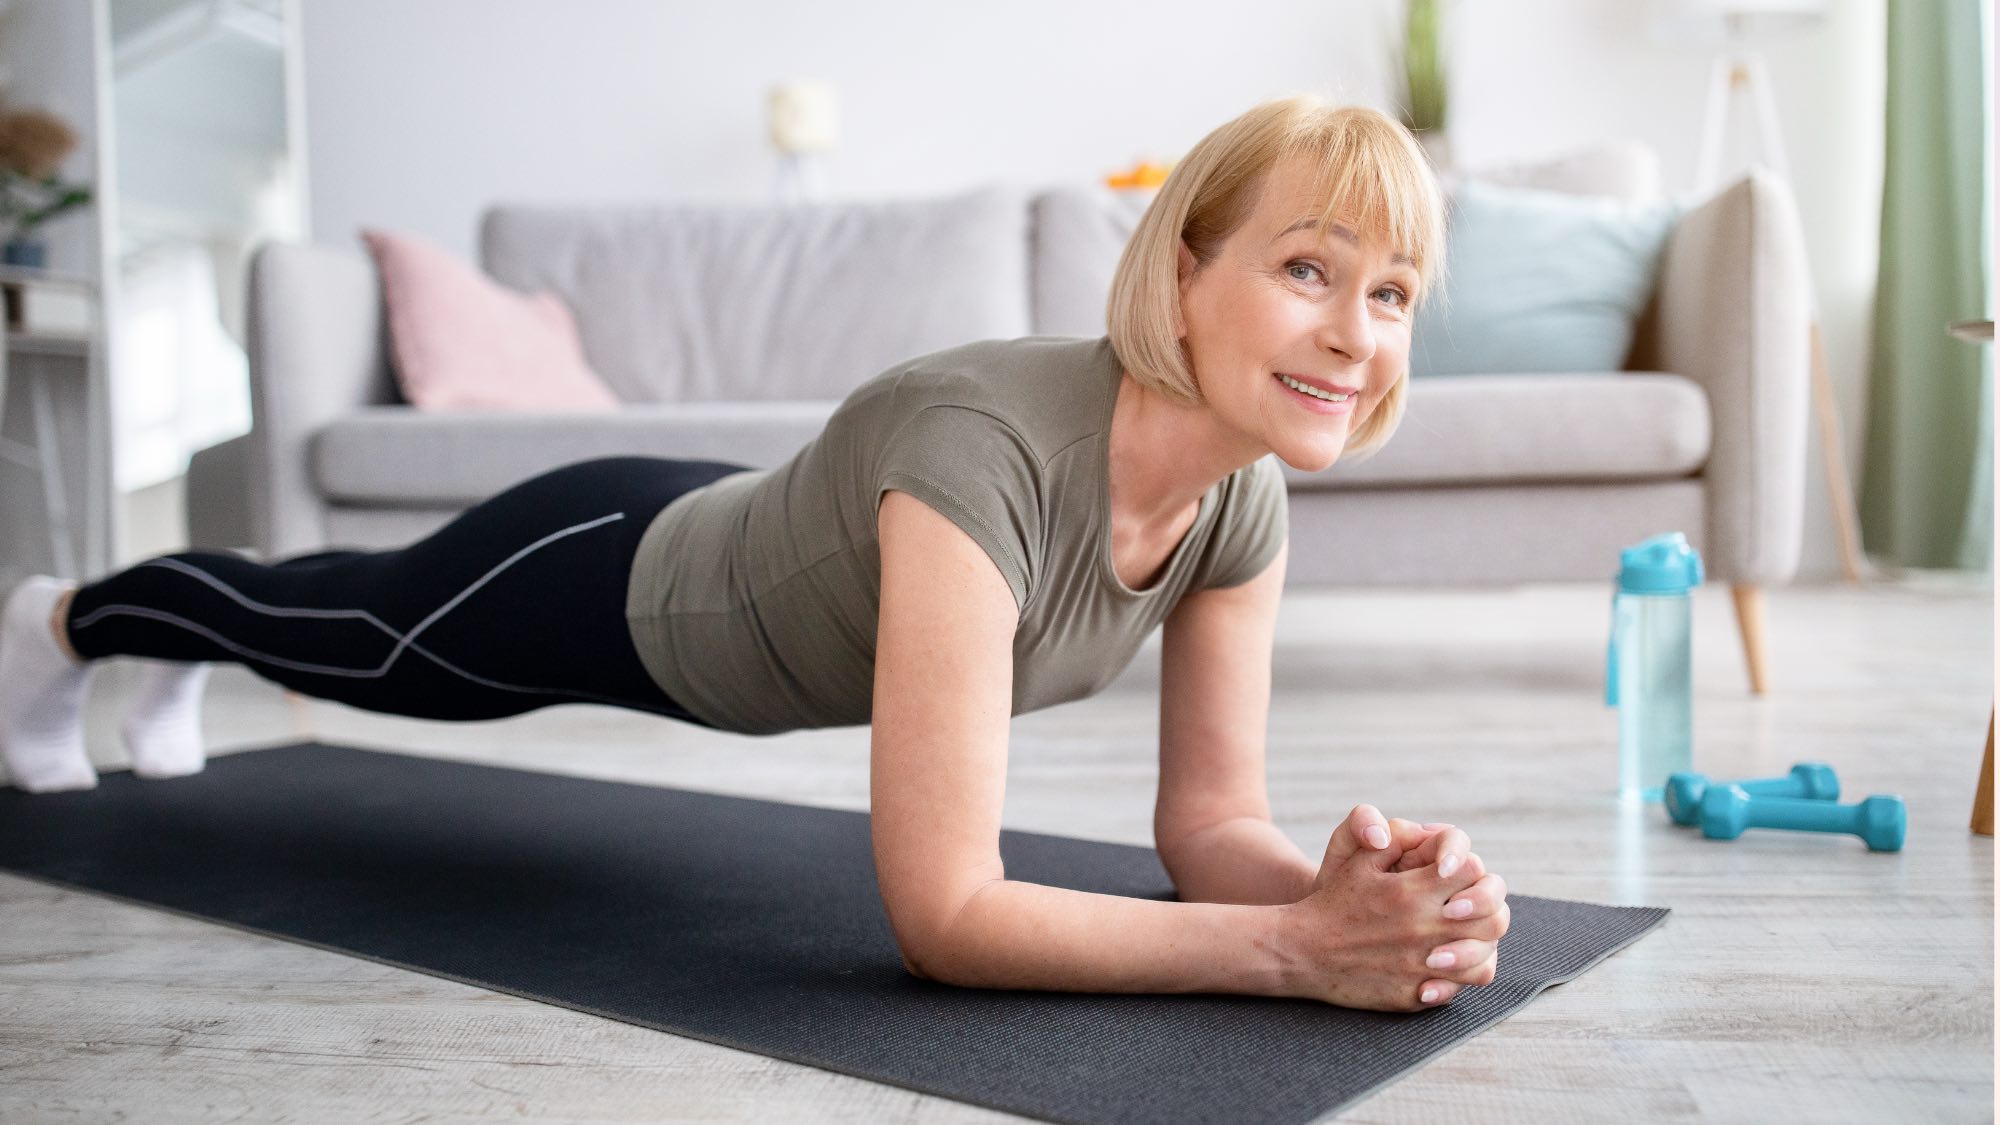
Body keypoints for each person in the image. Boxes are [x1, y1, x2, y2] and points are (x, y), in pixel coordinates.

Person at [0, 94, 1508, 1013]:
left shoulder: (1241, 497)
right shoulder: (983, 446)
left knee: (321, 622)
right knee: (336, 630)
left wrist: (1351, 892)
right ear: (1184, 274)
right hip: (612, 576)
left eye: (1389, 293)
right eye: (1307, 268)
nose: (1352, 333)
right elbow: (948, 915)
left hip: (732, 532)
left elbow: (1209, 830)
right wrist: (1292, 955)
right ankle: (66, 621)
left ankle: (146, 661)